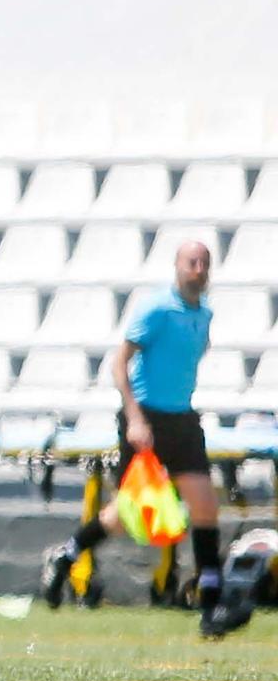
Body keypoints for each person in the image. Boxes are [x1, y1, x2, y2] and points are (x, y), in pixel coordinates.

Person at [40, 241, 244, 638]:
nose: (199, 269)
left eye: (204, 263)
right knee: (124, 514)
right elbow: (120, 363)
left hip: (182, 419)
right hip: (145, 421)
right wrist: (134, 417)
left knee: (204, 504)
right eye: (192, 262)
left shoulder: (204, 314)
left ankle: (212, 604)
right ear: (178, 267)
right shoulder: (156, 309)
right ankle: (66, 556)